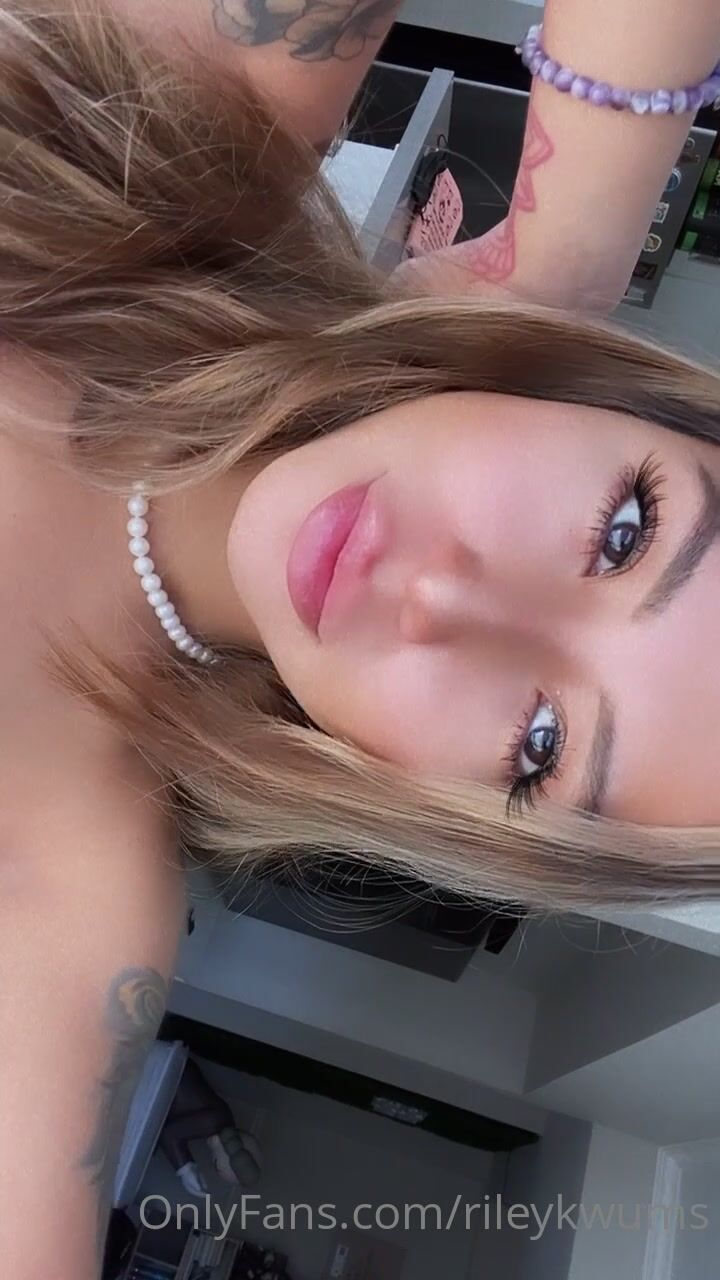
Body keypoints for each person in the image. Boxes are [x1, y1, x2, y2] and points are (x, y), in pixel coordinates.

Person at [1, 0, 720, 1275]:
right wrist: (565, 258)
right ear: (606, 397)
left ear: (448, 814)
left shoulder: (69, 878)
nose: (439, 599)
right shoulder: (193, 146)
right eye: (625, 529)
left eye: (540, 744)